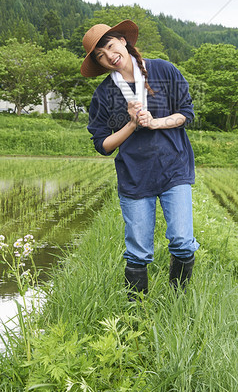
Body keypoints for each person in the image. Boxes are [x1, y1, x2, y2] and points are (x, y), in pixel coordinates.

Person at [81, 20, 199, 299]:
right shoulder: (104, 94)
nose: (109, 56)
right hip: (134, 176)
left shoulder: (163, 70)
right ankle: (136, 313)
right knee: (138, 251)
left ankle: (177, 301)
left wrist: (155, 123)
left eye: (109, 46)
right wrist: (132, 124)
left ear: (122, 41)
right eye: (100, 55)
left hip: (174, 168)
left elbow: (187, 113)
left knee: (182, 241)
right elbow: (103, 145)